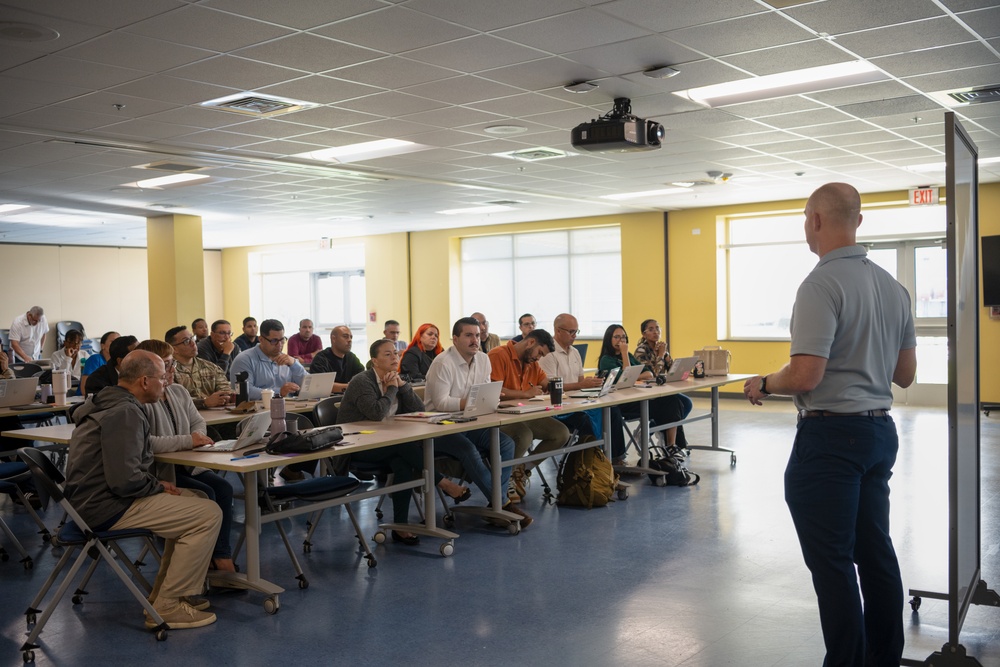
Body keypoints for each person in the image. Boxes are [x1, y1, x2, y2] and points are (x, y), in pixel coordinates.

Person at [743, 182, 916, 667]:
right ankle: (885, 657)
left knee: (833, 563)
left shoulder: (820, 285)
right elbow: (905, 375)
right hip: (880, 434)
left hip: (830, 438)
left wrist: (764, 382)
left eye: (804, 217)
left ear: (816, 220)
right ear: (856, 220)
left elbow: (805, 374)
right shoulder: (893, 287)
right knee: (875, 552)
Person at [63, 350, 222, 629]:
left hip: (91, 501)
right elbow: (124, 480)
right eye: (162, 378)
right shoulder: (125, 412)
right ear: (145, 381)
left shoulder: (112, 402)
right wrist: (156, 485)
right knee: (207, 513)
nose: (166, 383)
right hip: (106, 506)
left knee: (196, 497)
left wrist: (157, 486)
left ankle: (167, 594)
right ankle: (168, 605)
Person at [337, 339, 470, 545]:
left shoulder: (395, 379)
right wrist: (391, 389)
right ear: (374, 361)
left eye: (396, 354)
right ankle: (443, 482)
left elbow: (420, 410)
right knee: (403, 446)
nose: (394, 358)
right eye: (387, 354)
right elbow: (376, 413)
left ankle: (400, 526)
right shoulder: (362, 381)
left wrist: (402, 386)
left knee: (403, 463)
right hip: (357, 445)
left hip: (387, 442)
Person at [136, 339, 236, 573]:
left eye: (172, 366)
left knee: (223, 488)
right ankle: (210, 560)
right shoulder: (142, 401)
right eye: (167, 366)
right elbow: (146, 444)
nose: (172, 372)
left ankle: (220, 554)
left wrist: (197, 436)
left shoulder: (178, 391)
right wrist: (189, 441)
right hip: (159, 471)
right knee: (207, 493)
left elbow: (197, 421)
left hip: (188, 465)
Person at [424, 317, 529, 528]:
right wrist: (472, 402)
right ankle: (502, 505)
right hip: (440, 426)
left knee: (507, 443)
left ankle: (496, 503)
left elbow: (486, 392)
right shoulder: (443, 362)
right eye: (469, 335)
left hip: (471, 421)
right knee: (469, 450)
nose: (475, 340)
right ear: (455, 339)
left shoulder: (483, 359)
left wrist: (487, 402)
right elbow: (441, 402)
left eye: (478, 335)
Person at [488, 329, 571, 503]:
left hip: (523, 413)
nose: (538, 358)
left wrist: (580, 387)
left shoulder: (530, 362)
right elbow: (494, 391)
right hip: (498, 416)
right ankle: (506, 478)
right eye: (540, 353)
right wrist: (524, 394)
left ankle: (521, 470)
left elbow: (547, 384)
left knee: (561, 433)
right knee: (524, 435)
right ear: (531, 342)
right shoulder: (498, 355)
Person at [539, 313, 628, 463]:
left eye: (576, 331)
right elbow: (550, 387)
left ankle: (615, 459)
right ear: (558, 330)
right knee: (586, 419)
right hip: (559, 408)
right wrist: (581, 385)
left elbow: (580, 382)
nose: (574, 335)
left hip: (577, 401)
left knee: (611, 410)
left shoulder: (574, 352)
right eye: (571, 332)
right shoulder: (549, 354)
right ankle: (591, 463)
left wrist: (591, 383)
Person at [598, 324, 691, 450]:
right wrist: (625, 355)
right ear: (609, 339)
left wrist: (634, 375)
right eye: (617, 337)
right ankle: (658, 438)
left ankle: (672, 446)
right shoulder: (607, 359)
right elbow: (626, 378)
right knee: (671, 405)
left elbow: (649, 373)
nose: (621, 341)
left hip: (636, 395)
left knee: (673, 401)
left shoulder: (629, 356)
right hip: (622, 401)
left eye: (624, 337)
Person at [633, 318, 693, 451]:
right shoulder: (641, 351)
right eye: (651, 329)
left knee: (686, 403)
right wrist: (660, 355)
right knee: (675, 405)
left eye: (657, 328)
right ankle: (669, 441)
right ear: (644, 334)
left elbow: (672, 371)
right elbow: (652, 374)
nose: (655, 332)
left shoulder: (661, 349)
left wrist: (666, 357)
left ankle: (654, 429)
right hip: (647, 392)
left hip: (662, 390)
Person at [228, 319, 306, 400]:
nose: (279, 345)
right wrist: (279, 392)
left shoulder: (287, 360)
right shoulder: (244, 359)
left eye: (282, 340)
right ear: (261, 339)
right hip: (256, 410)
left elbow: (310, 386)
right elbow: (245, 391)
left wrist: (295, 364)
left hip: (289, 408)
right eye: (274, 341)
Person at [166, 326, 233, 410]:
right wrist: (204, 402)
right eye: (186, 341)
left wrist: (223, 397)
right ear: (174, 349)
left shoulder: (210, 367)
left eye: (192, 338)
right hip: (185, 419)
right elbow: (173, 400)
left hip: (216, 416)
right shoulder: (168, 371)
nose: (193, 343)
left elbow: (226, 390)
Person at [309, 325, 364, 393]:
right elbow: (321, 386)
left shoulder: (351, 357)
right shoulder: (321, 359)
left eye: (351, 337)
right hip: (326, 401)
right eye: (345, 336)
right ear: (333, 339)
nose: (349, 340)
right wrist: (351, 387)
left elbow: (363, 379)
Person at [81, 331, 119, 396]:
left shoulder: (118, 362)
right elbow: (84, 389)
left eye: (119, 342)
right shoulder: (95, 359)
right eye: (112, 342)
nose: (117, 344)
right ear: (102, 346)